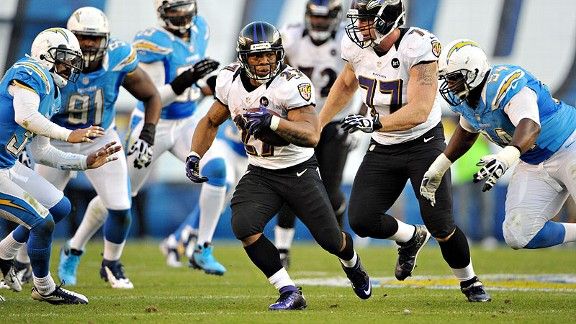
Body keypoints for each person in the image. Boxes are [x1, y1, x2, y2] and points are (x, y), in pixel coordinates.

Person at [187, 21, 372, 311]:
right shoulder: (228, 80)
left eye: (270, 55)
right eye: (257, 56)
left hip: (298, 171)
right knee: (243, 225)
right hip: (260, 171)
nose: (264, 62)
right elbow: (211, 120)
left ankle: (353, 264)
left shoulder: (291, 84)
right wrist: (195, 154)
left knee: (330, 240)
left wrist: (273, 121)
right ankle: (288, 291)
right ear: (243, 58)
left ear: (279, 54)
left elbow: (312, 135)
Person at [318, 0, 490, 302]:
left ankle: (470, 281)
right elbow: (346, 83)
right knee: (361, 219)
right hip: (384, 146)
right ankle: (411, 237)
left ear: (388, 18)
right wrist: (318, 124)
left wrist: (376, 122)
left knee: (441, 224)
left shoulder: (418, 46)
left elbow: (421, 110)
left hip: (423, 143)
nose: (359, 26)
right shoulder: (357, 47)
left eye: (367, 19)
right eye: (359, 19)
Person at [31, 7, 161, 289]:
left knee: (121, 207)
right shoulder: (52, 59)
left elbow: (151, 95)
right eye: (83, 37)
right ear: (70, 39)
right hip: (56, 139)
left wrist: (148, 133)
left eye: (95, 38)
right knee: (37, 211)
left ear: (106, 39)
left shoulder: (118, 58)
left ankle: (111, 264)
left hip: (101, 138)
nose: (89, 44)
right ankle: (17, 264)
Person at [0, 27, 121, 304]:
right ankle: (44, 288)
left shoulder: (51, 91)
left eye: (72, 59)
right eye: (64, 57)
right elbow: (25, 116)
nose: (69, 65)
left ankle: (4, 252)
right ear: (45, 54)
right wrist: (69, 134)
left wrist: (85, 162)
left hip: (6, 162)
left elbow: (41, 152)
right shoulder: (31, 71)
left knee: (59, 207)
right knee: (42, 223)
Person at [420, 39, 576, 251]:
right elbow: (467, 132)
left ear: (473, 73)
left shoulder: (503, 83)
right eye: (446, 79)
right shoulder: (469, 100)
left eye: (454, 77)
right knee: (519, 235)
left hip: (569, 143)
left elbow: (530, 126)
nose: (449, 85)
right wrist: (438, 168)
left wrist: (506, 157)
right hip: (533, 160)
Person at [274, 0, 359, 269]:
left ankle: (341, 242)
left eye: (325, 18)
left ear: (335, 17)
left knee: (331, 190)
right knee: (290, 184)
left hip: (336, 121)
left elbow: (364, 78)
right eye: (315, 17)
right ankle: (282, 249)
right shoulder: (292, 35)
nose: (319, 23)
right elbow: (276, 70)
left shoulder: (349, 38)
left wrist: (361, 117)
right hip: (300, 120)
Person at [160, 118, 248, 268]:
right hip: (226, 146)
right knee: (222, 186)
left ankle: (176, 240)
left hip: (249, 158)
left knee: (218, 206)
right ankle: (190, 239)